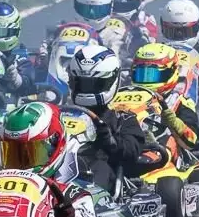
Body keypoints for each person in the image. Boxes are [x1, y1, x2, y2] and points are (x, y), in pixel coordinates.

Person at [0, 101, 101, 217]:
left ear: (55, 147)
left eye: (31, 153)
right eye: (13, 154)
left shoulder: (73, 196)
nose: (21, 164)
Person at [65, 44, 172, 178]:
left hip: (95, 178)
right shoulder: (60, 115)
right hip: (57, 173)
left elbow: (131, 153)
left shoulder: (122, 119)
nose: (86, 89)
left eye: (95, 83)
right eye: (81, 83)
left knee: (99, 168)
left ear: (112, 81)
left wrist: (109, 140)